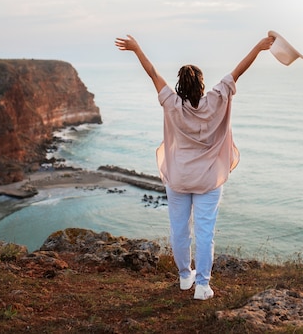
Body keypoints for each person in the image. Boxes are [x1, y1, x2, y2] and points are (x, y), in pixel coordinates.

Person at [114, 33, 275, 300]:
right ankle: (202, 286)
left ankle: (184, 277)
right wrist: (259, 47)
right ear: (202, 85)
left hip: (178, 178)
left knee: (179, 230)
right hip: (209, 180)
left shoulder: (172, 105)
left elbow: (153, 73)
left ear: (179, 86)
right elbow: (238, 72)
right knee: (204, 232)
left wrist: (136, 49)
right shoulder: (216, 100)